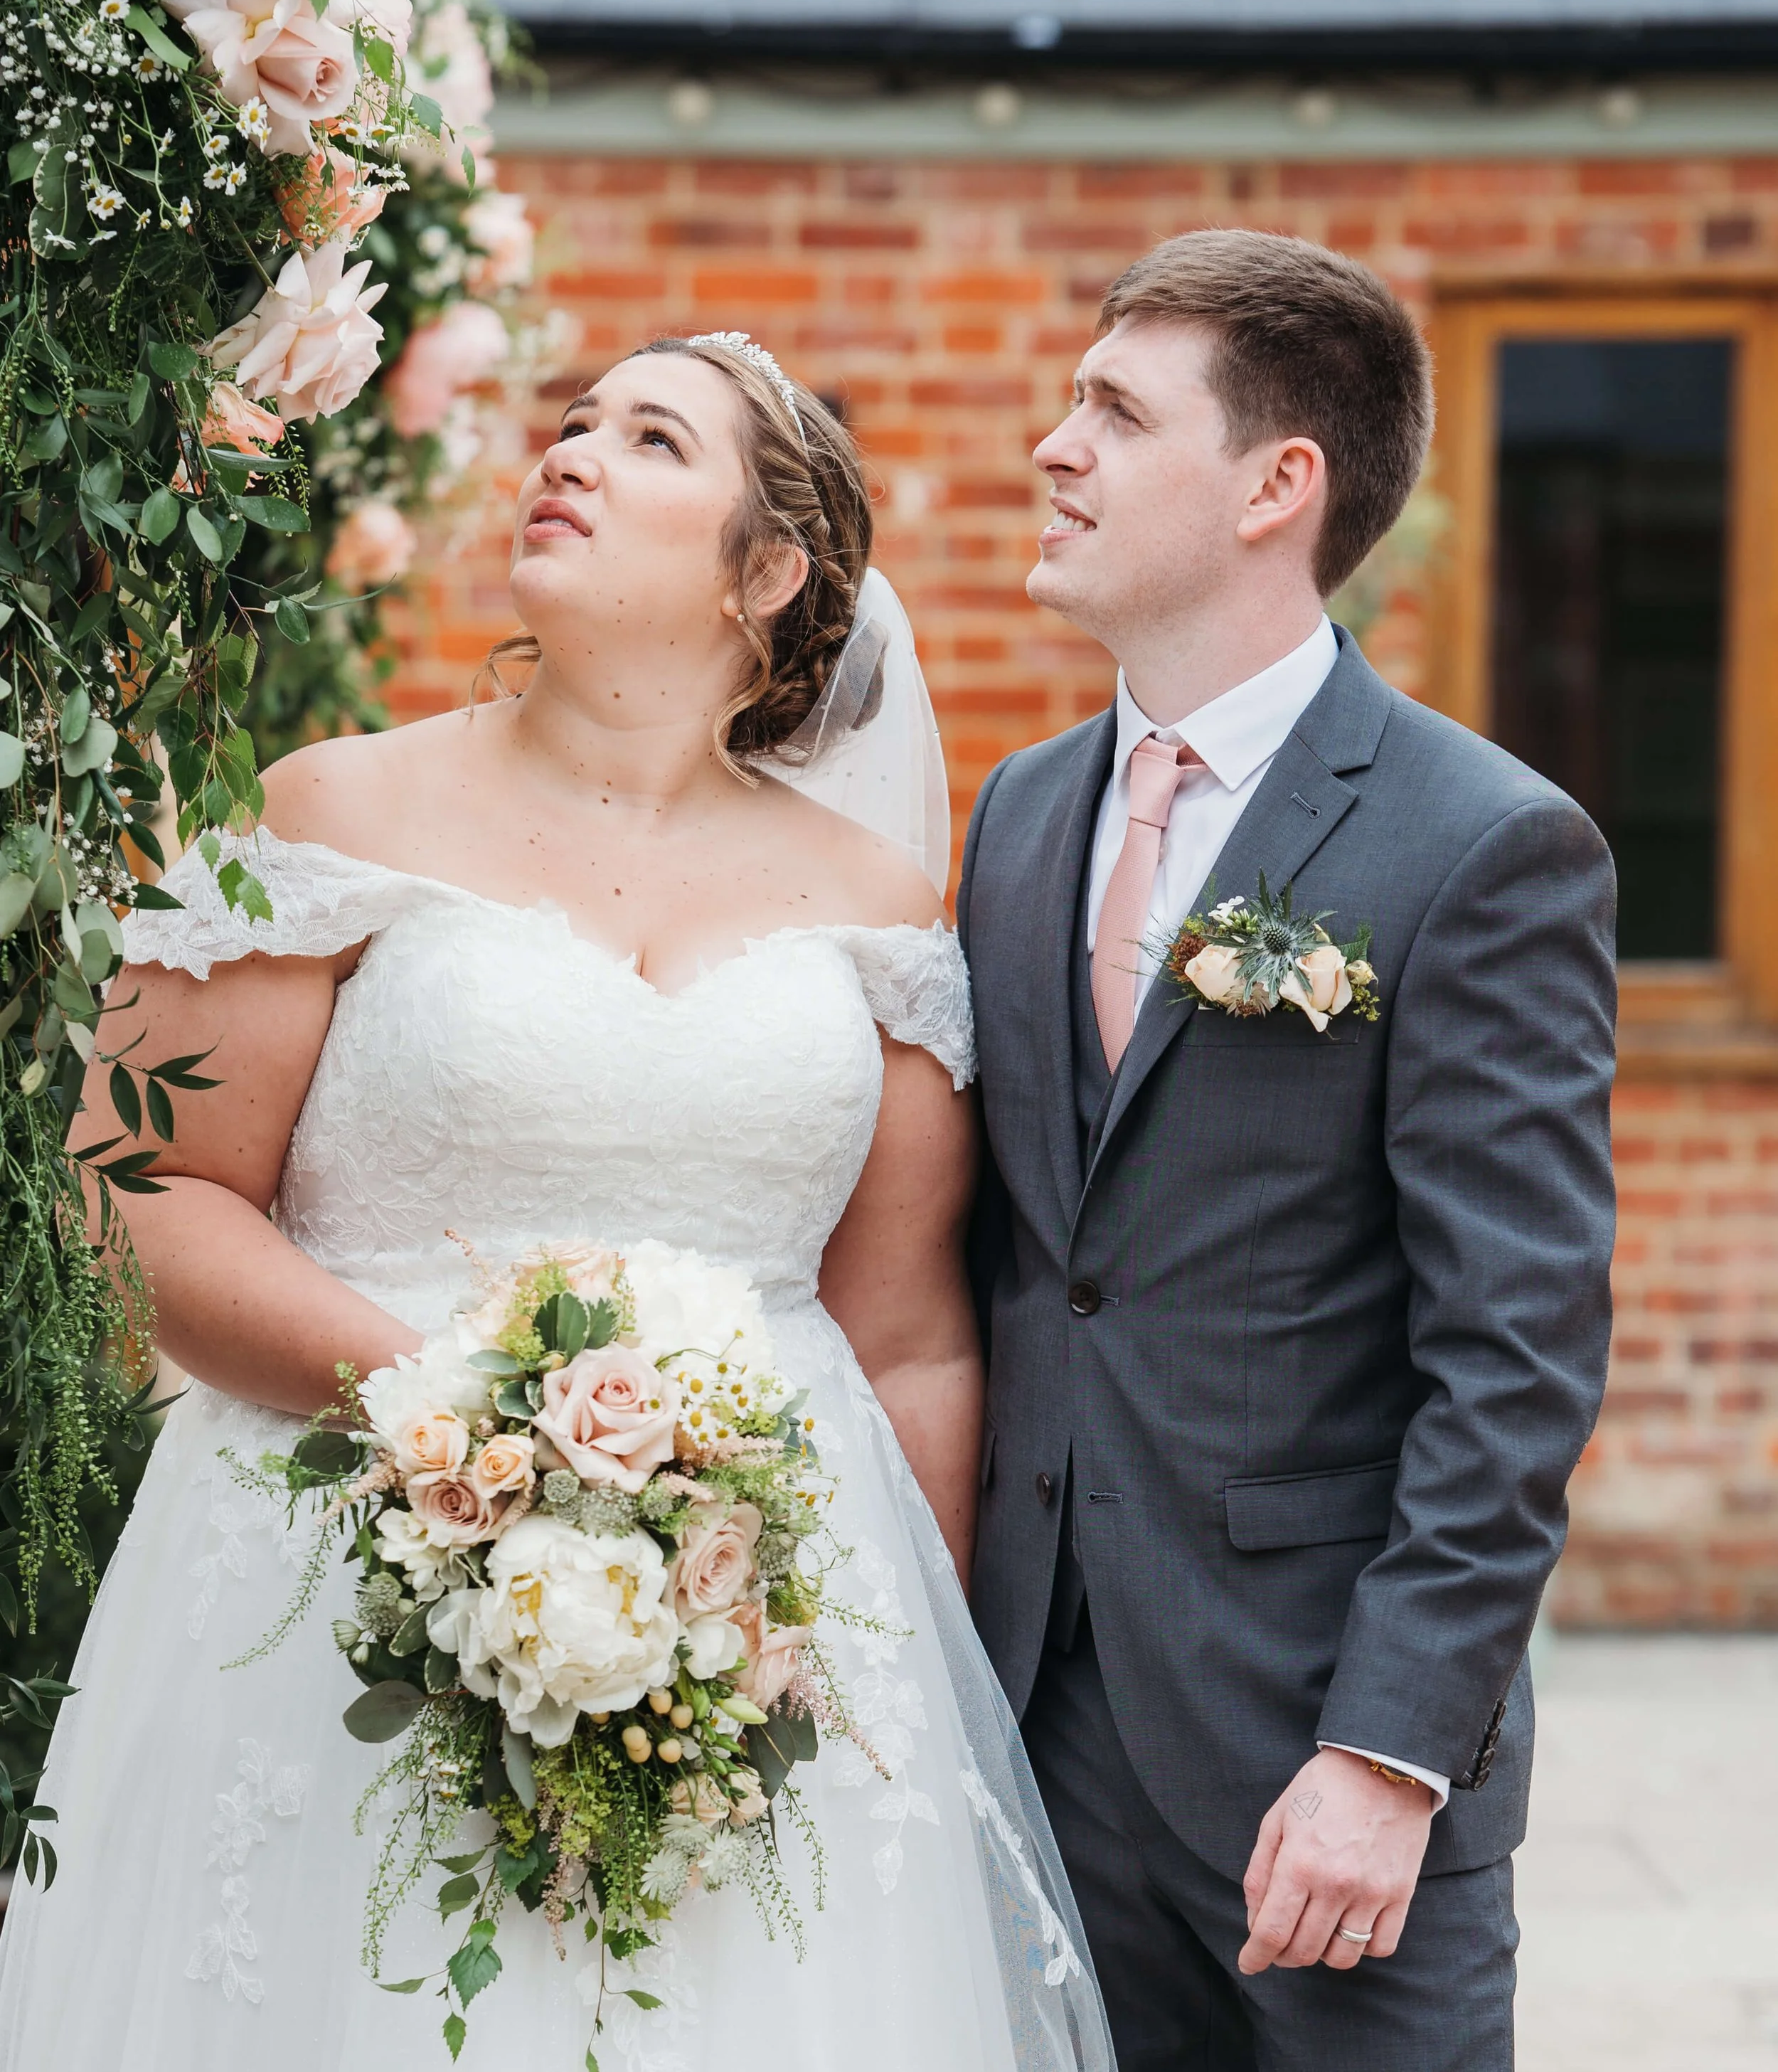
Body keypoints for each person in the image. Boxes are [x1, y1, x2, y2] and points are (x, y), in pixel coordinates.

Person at [0, 334, 1111, 2072]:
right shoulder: (329, 808)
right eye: (571, 422)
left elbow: (906, 1337)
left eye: (650, 437)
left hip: (750, 1635)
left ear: (767, 574)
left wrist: (888, 1687)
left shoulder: (883, 909)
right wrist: (460, 1434)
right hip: (331, 1587)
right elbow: (137, 1196)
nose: (570, 452)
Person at [960, 229, 1617, 2072]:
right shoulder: (1018, 817)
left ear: (1276, 483)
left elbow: (1512, 1352)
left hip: (1322, 1765)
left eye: (1111, 409)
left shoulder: (1481, 845)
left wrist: (1382, 1751)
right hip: (1049, 1724)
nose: (1051, 447)